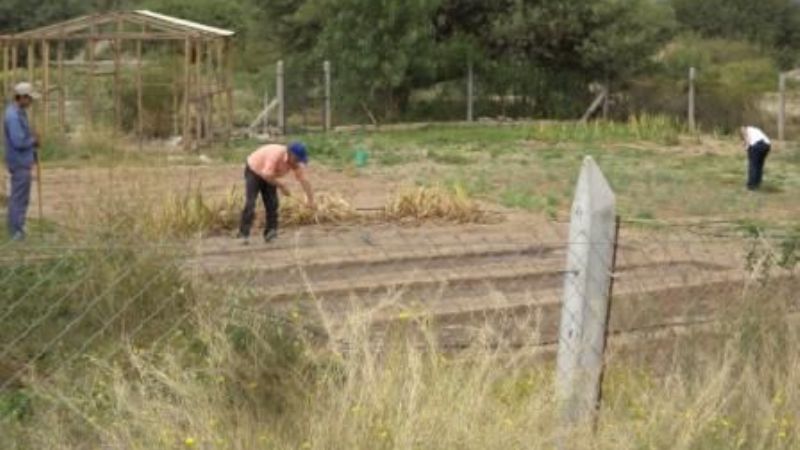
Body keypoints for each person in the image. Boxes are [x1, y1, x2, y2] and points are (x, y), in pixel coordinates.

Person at [238, 142, 315, 244]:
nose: (297, 162)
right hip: (254, 171)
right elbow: (266, 175)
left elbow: (304, 180)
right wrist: (282, 186)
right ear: (290, 154)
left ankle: (271, 232)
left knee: (273, 203)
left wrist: (310, 200)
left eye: (299, 160)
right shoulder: (276, 155)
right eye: (296, 159)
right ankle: (243, 233)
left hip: (270, 174)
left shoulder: (295, 164)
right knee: (251, 202)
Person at [4, 82, 40, 241]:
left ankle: (18, 228)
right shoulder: (12, 116)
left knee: (21, 197)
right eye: (29, 98)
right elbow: (18, 142)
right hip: (18, 162)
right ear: (22, 97)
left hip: (23, 161)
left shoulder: (20, 112)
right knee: (18, 198)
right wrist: (33, 141)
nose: (31, 102)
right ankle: (16, 232)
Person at [740, 126, 772, 191]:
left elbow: (748, 140)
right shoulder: (755, 129)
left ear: (744, 128)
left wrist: (746, 147)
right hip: (767, 145)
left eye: (742, 130)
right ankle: (757, 183)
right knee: (759, 165)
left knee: (753, 166)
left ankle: (751, 186)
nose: (742, 132)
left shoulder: (748, 130)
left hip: (758, 145)